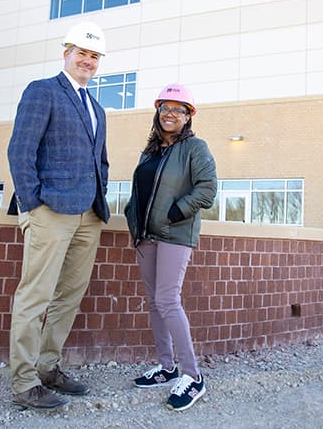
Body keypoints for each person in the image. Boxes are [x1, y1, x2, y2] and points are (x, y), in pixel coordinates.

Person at [6, 21, 110, 411]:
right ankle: (24, 380)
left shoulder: (97, 107)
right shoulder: (43, 91)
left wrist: (99, 205)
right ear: (66, 52)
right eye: (81, 52)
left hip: (88, 215)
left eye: (94, 55)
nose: (87, 60)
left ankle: (48, 367)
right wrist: (32, 205)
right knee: (36, 295)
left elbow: (100, 161)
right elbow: (21, 150)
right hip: (50, 209)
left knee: (69, 296)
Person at [124, 83, 217, 411]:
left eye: (179, 109)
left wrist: (175, 213)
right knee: (154, 302)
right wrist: (133, 221)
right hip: (147, 236)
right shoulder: (150, 151)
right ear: (158, 111)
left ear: (188, 116)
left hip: (176, 234)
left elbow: (208, 190)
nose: (171, 114)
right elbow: (140, 192)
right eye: (166, 107)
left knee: (167, 299)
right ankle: (167, 368)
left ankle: (193, 376)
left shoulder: (195, 148)